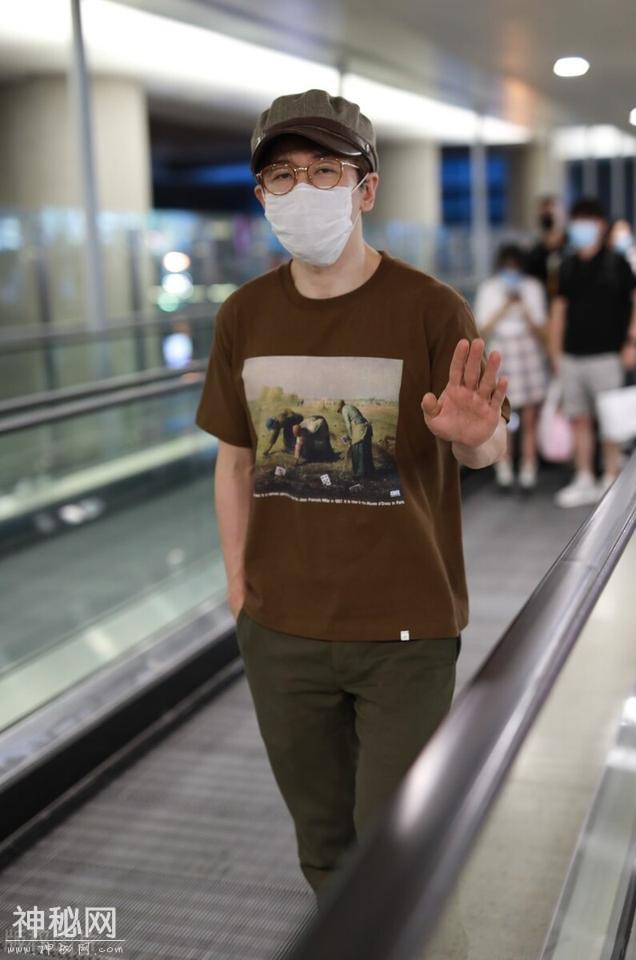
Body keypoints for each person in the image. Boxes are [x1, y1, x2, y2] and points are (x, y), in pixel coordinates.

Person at [194, 89, 509, 898]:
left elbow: (485, 452)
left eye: (325, 171)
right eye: (283, 176)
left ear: (365, 189)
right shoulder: (243, 316)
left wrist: (473, 435)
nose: (302, 190)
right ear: (262, 195)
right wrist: (241, 590)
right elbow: (234, 464)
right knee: (325, 843)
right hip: (281, 628)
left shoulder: (431, 309)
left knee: (398, 846)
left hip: (406, 627)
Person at [549, 197, 636, 507]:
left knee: (611, 419)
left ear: (601, 225)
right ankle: (584, 476)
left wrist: (633, 341)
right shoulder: (567, 265)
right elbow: (559, 310)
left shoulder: (616, 263)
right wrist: (555, 352)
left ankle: (610, 476)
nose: (581, 227)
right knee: (579, 419)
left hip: (607, 354)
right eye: (577, 221)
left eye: (587, 220)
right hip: (573, 355)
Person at [475, 243, 548, 490]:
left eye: (515, 267)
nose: (511, 271)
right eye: (507, 267)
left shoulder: (532, 287)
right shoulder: (489, 289)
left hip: (528, 351)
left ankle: (529, 467)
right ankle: (503, 467)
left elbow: (541, 327)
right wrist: (505, 306)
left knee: (529, 416)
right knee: (501, 415)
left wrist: (524, 306)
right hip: (500, 351)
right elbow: (481, 328)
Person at [526, 195, 569, 304]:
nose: (548, 220)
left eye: (551, 215)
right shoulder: (534, 254)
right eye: (544, 216)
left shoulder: (572, 249)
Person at [337, 399, 375, 478]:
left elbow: (348, 424)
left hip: (360, 428)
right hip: (365, 426)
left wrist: (351, 437)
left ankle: (360, 473)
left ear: (340, 408)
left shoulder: (344, 409)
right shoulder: (350, 406)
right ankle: (369, 472)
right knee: (366, 450)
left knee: (358, 449)